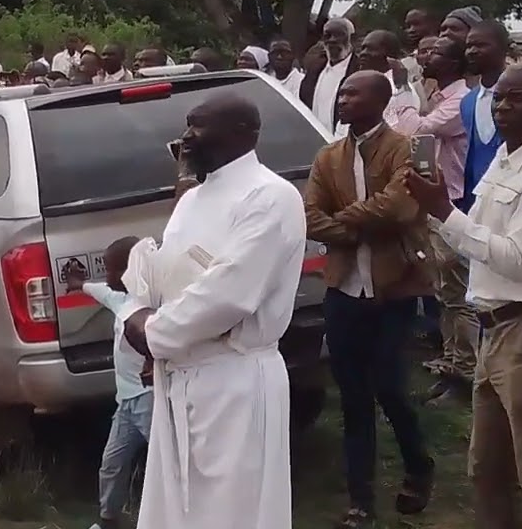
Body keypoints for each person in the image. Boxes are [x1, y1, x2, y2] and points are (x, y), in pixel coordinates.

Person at [406, 63, 522, 529]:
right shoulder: (507, 158)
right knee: (488, 471)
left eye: (518, 99)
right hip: (494, 329)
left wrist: (444, 212)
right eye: (500, 99)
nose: (504, 108)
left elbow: (515, 258)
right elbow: (484, 237)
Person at [119, 92, 303, 529]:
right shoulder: (192, 198)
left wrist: (152, 332)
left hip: (234, 380)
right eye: (187, 124)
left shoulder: (271, 196)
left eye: (198, 126)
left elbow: (230, 293)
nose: (186, 137)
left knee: (232, 511)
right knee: (178, 511)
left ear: (244, 134)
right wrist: (138, 308)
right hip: (178, 376)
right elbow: (164, 273)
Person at [304, 71, 435, 528]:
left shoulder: (406, 147)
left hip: (394, 286)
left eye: (353, 92)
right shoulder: (328, 156)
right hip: (344, 289)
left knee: (391, 387)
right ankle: (361, 500)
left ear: (380, 100)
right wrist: (355, 226)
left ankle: (419, 467)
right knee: (354, 397)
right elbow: (310, 216)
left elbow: (402, 206)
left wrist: (342, 221)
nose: (343, 98)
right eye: (342, 92)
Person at [392, 36, 475, 396]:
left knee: (458, 292)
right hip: (434, 201)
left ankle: (467, 372)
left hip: (451, 202)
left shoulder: (459, 100)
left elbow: (414, 130)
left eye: (436, 52)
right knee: (443, 289)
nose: (425, 56)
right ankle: (453, 359)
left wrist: (401, 91)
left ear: (454, 64)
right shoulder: (438, 98)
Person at [65, 237, 151, 529]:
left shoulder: (149, 304)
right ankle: (109, 521)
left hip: (149, 401)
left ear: (130, 271)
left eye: (113, 270)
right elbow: (102, 291)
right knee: (112, 464)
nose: (108, 276)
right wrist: (80, 284)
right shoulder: (119, 298)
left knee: (169, 464)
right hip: (125, 405)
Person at [301, 17, 359, 133]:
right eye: (327, 35)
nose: (332, 40)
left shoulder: (359, 71)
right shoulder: (314, 69)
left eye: (339, 35)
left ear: (351, 38)